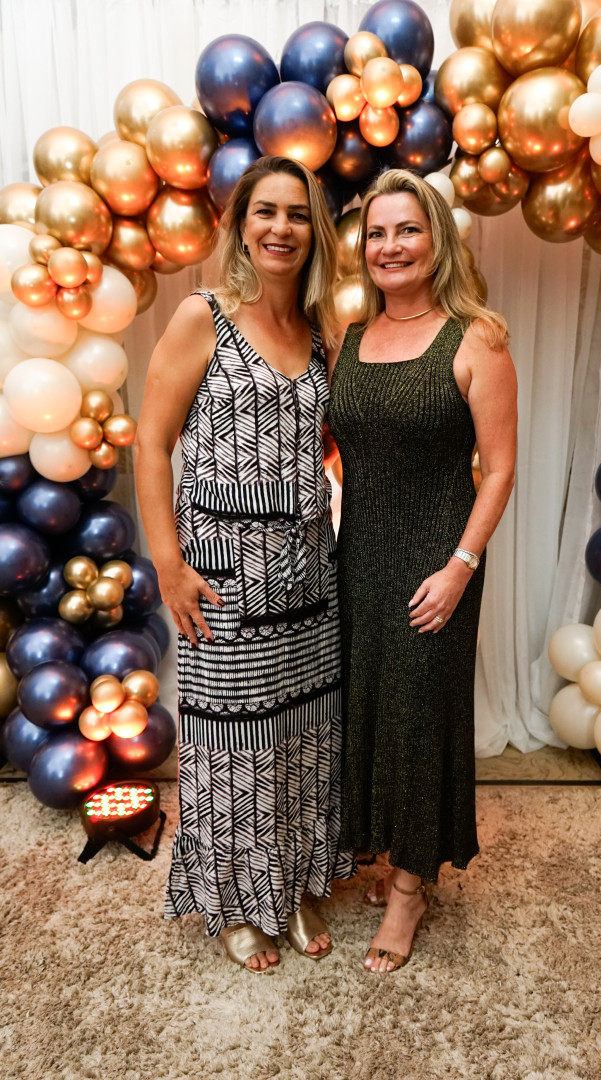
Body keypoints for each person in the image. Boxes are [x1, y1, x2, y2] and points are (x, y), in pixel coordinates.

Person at [135, 156, 355, 974]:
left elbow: (327, 444)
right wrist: (167, 563)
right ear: (240, 224)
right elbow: (150, 442)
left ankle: (292, 886)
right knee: (232, 742)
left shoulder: (323, 331)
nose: (281, 228)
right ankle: (233, 901)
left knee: (305, 734)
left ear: (315, 232)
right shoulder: (204, 316)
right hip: (224, 574)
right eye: (266, 211)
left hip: (309, 573)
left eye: (297, 214)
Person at [327, 168, 517, 973]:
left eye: (408, 229)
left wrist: (461, 567)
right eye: (377, 232)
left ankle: (410, 886)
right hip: (357, 556)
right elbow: (338, 445)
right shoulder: (348, 338)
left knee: (419, 714)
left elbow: (499, 469)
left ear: (437, 239)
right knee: (368, 708)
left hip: (439, 559)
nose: (391, 245)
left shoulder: (476, 338)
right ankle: (383, 849)